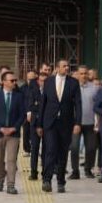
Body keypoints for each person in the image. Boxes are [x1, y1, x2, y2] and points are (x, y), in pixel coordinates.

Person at [36, 57, 82, 193]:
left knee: (62, 153)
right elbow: (43, 103)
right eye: (64, 66)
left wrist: (77, 122)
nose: (67, 68)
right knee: (50, 150)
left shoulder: (73, 83)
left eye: (68, 66)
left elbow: (78, 104)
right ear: (57, 68)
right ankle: (47, 179)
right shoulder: (49, 82)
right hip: (50, 123)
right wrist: (39, 124)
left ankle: (61, 181)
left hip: (66, 124)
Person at [0, 70, 26, 194]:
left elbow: (22, 115)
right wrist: (1, 128)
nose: (15, 82)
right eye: (12, 80)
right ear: (3, 82)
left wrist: (14, 128)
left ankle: (11, 185)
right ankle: (0, 180)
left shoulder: (19, 97)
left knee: (11, 160)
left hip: (13, 134)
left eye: (15, 80)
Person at [74, 66, 99, 179]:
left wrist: (97, 121)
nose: (83, 76)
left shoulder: (94, 88)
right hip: (75, 124)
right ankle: (75, 171)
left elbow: (98, 105)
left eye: (85, 73)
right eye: (81, 73)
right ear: (77, 75)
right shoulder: (72, 88)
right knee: (74, 147)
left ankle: (88, 169)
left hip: (90, 123)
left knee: (91, 148)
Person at [24, 66, 46, 180]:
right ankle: (33, 172)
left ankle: (45, 172)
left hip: (46, 124)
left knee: (46, 149)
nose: (43, 83)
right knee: (35, 148)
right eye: (41, 81)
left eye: (44, 81)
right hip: (35, 122)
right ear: (38, 81)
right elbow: (31, 105)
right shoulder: (33, 90)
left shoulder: (50, 91)